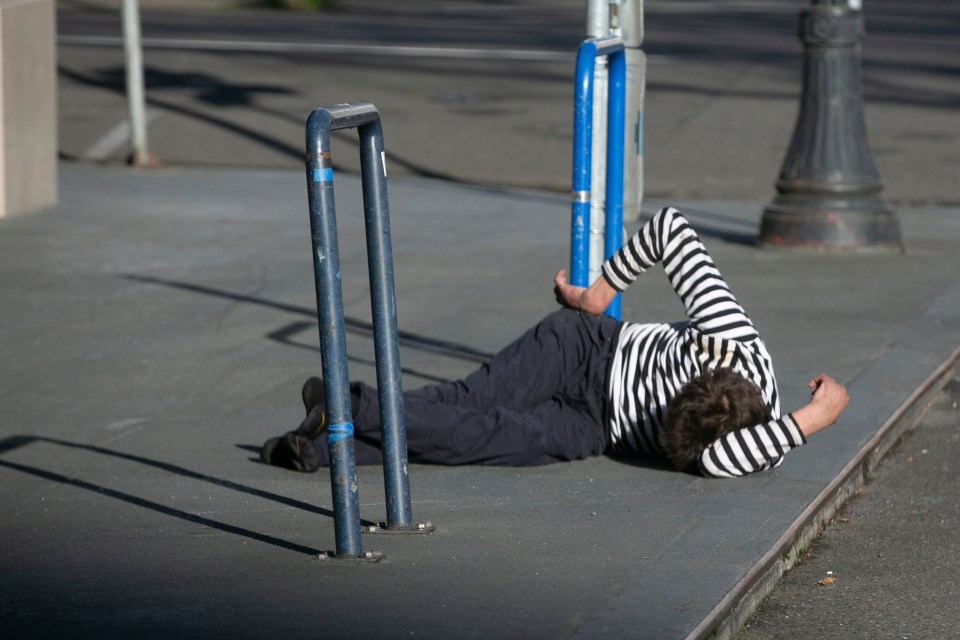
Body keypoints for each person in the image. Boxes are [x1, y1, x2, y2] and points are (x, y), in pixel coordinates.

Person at [261, 207, 849, 478]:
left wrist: (814, 418)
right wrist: (598, 296)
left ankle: (322, 446)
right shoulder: (731, 337)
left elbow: (720, 454)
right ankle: (350, 404)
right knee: (471, 401)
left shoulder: (753, 446)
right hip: (588, 347)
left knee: (491, 439)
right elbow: (672, 228)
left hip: (596, 429)